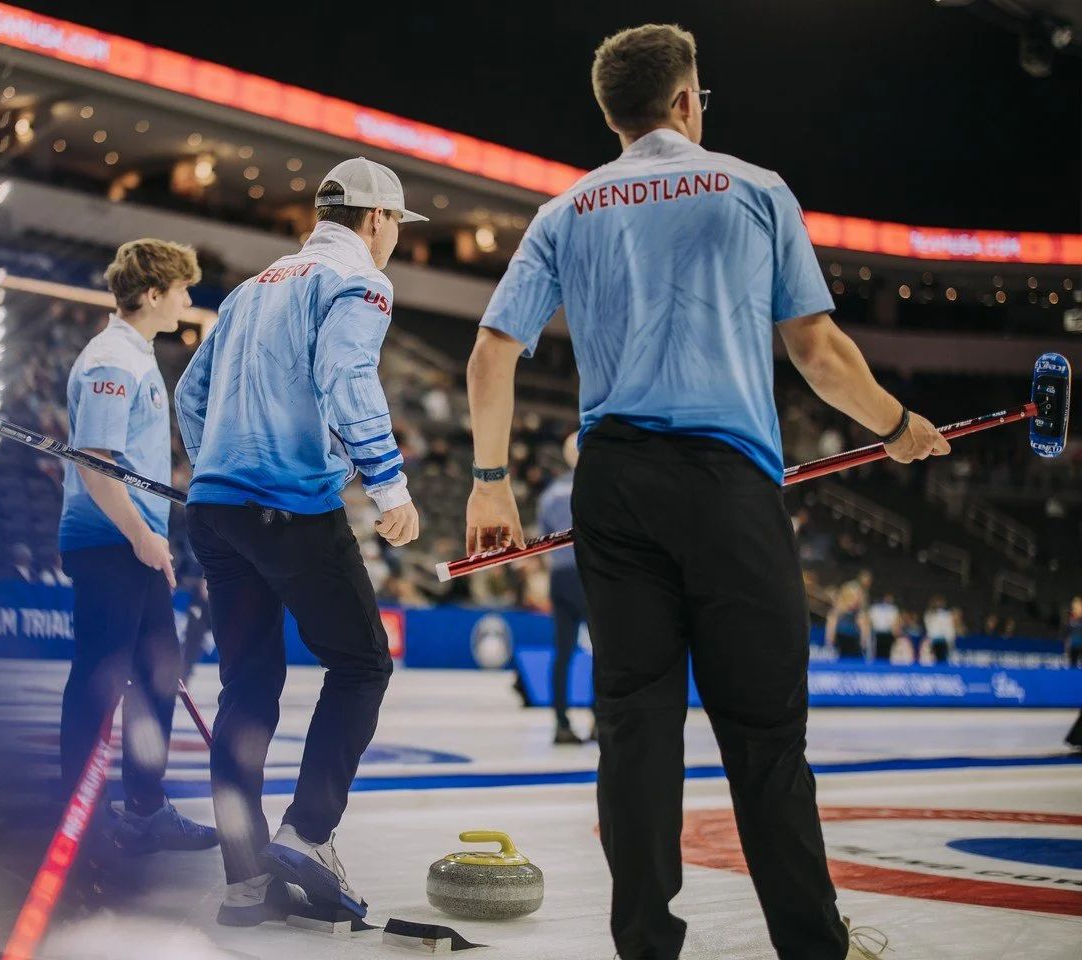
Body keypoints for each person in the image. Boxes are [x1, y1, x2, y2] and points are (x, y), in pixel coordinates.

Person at [461, 24, 948, 960]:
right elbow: (817, 353)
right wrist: (895, 427)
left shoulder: (565, 210)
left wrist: (490, 484)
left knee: (635, 729)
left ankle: (646, 944)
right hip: (728, 487)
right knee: (765, 732)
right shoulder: (756, 187)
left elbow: (491, 352)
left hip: (614, 485)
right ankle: (812, 944)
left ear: (613, 113)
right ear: (687, 100)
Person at [175, 156, 423, 925]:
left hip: (216, 510)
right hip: (291, 508)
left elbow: (191, 393)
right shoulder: (357, 281)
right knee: (360, 662)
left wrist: (217, 463)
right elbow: (348, 377)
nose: (394, 245)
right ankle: (309, 833)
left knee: (247, 688)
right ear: (377, 219)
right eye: (395, 229)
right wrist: (389, 487)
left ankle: (245, 879)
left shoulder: (253, 288)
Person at [57, 238, 217, 862]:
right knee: (99, 681)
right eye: (181, 289)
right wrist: (140, 536)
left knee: (156, 678)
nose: (187, 299)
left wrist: (152, 541)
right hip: (109, 542)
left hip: (136, 544)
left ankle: (146, 809)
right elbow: (97, 467)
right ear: (152, 294)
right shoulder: (111, 361)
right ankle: (77, 818)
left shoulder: (137, 355)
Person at [535, 432, 594, 744]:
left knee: (563, 652)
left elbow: (542, 540)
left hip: (559, 576)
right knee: (604, 651)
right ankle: (602, 720)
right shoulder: (595, 485)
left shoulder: (550, 493)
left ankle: (561, 723)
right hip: (590, 574)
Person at [825, 582, 869, 661]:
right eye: (852, 597)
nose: (855, 600)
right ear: (846, 597)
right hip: (840, 649)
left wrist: (863, 642)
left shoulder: (860, 614)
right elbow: (830, 631)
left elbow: (864, 634)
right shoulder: (836, 613)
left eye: (857, 598)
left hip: (855, 649)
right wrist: (829, 643)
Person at [924, 595, 957, 665]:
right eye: (936, 602)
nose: (938, 604)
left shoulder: (947, 615)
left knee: (942, 659)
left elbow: (949, 629)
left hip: (943, 641)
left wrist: (950, 640)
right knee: (932, 660)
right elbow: (929, 628)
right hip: (933, 640)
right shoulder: (929, 614)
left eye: (940, 602)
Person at [868, 593, 900, 663]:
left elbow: (895, 622)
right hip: (877, 633)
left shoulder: (893, 609)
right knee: (876, 652)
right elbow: (870, 620)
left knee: (887, 653)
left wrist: (895, 633)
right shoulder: (875, 608)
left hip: (888, 634)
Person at [1067, 596, 1082, 669]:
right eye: (1074, 605)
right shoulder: (1070, 618)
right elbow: (1068, 634)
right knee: (1073, 666)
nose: (1076, 607)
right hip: (1073, 647)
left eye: (1078, 605)